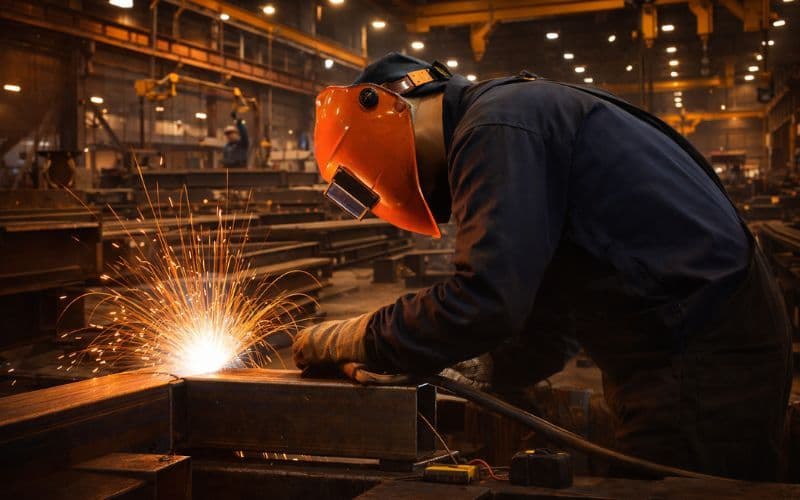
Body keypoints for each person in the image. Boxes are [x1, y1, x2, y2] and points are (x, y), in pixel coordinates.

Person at [293, 53, 792, 481]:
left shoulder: (495, 127)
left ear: (391, 112)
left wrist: (364, 336)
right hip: (701, 341)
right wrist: (488, 365)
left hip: (702, 350)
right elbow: (554, 314)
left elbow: (486, 300)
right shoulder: (516, 113)